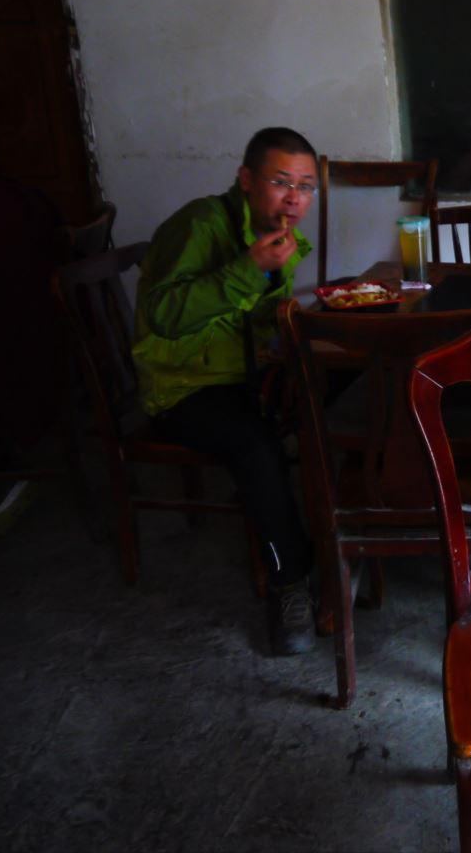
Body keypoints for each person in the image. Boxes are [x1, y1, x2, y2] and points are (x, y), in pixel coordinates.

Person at [132, 127, 318, 655]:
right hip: (182, 385)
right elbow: (164, 315)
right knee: (255, 444)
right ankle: (290, 581)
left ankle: (341, 537)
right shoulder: (199, 225)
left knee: (336, 395)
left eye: (305, 187)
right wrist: (249, 268)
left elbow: (256, 317)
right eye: (281, 182)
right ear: (246, 180)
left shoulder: (277, 237)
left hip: (240, 373)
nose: (294, 198)